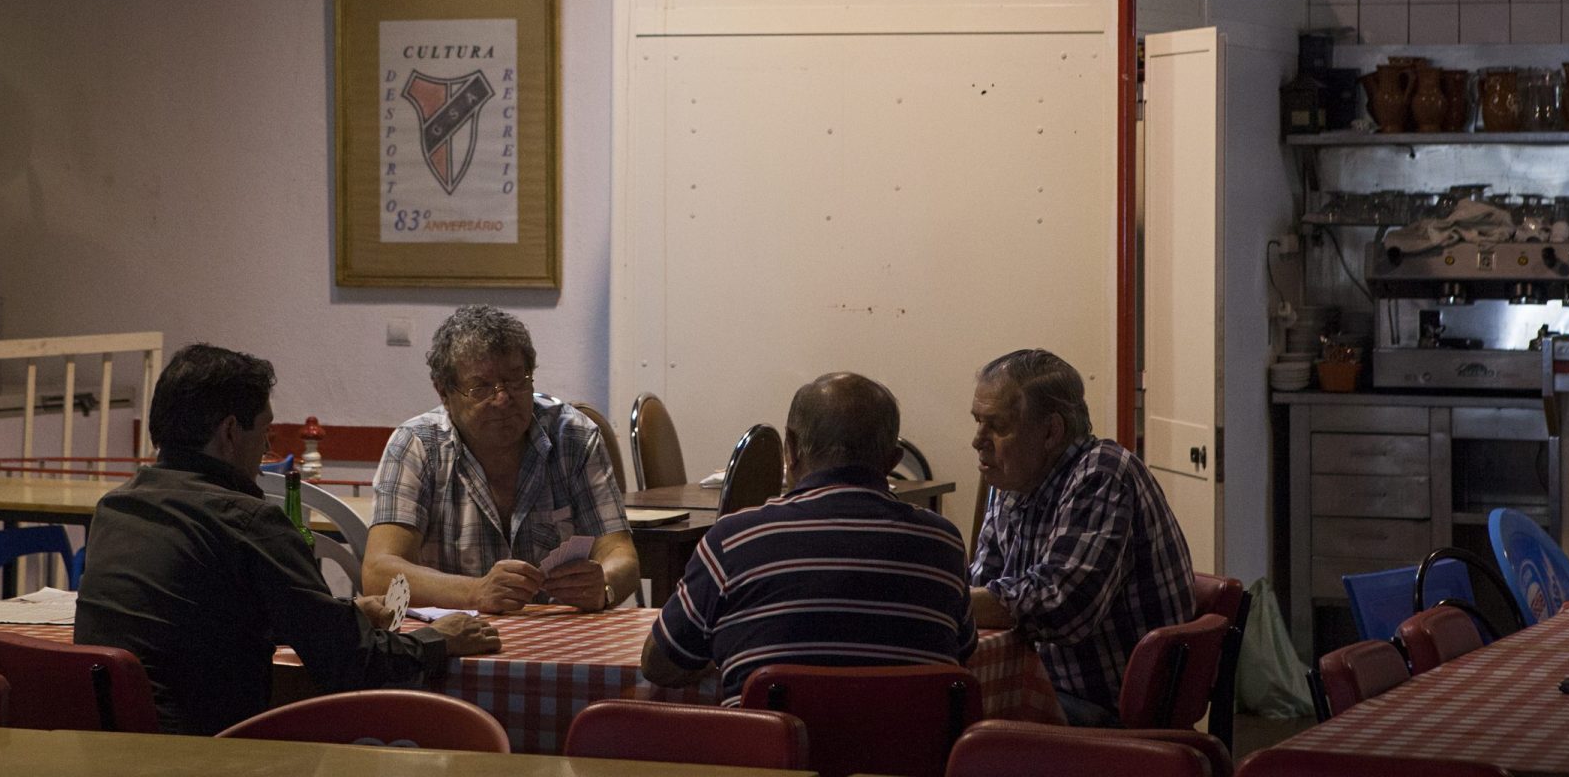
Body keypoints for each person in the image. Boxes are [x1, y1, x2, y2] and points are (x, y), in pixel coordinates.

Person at [75, 343, 499, 735]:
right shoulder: (249, 522)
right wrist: (439, 639)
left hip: (105, 750)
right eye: (266, 433)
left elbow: (202, 621)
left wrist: (340, 614)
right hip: (207, 753)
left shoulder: (115, 510)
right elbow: (350, 663)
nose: (267, 451)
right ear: (230, 433)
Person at [639, 372, 975, 704]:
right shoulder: (943, 543)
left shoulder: (734, 540)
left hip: (764, 756)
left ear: (791, 449)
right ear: (892, 461)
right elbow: (962, 649)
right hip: (910, 756)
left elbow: (660, 664)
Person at [967, 347, 1194, 726]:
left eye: (997, 425)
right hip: (1046, 684)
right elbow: (983, 588)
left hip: (1104, 705)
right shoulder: (1012, 483)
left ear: (1051, 431)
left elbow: (1062, 607)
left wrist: (945, 601)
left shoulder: (1103, 472)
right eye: (977, 422)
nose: (978, 440)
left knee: (951, 721)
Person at [364, 305, 638, 613]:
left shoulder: (573, 437)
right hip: (455, 640)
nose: (503, 398)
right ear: (443, 392)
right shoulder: (416, 445)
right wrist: (475, 592)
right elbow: (378, 572)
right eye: (481, 387)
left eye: (516, 380)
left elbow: (620, 554)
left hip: (559, 632)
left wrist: (604, 586)